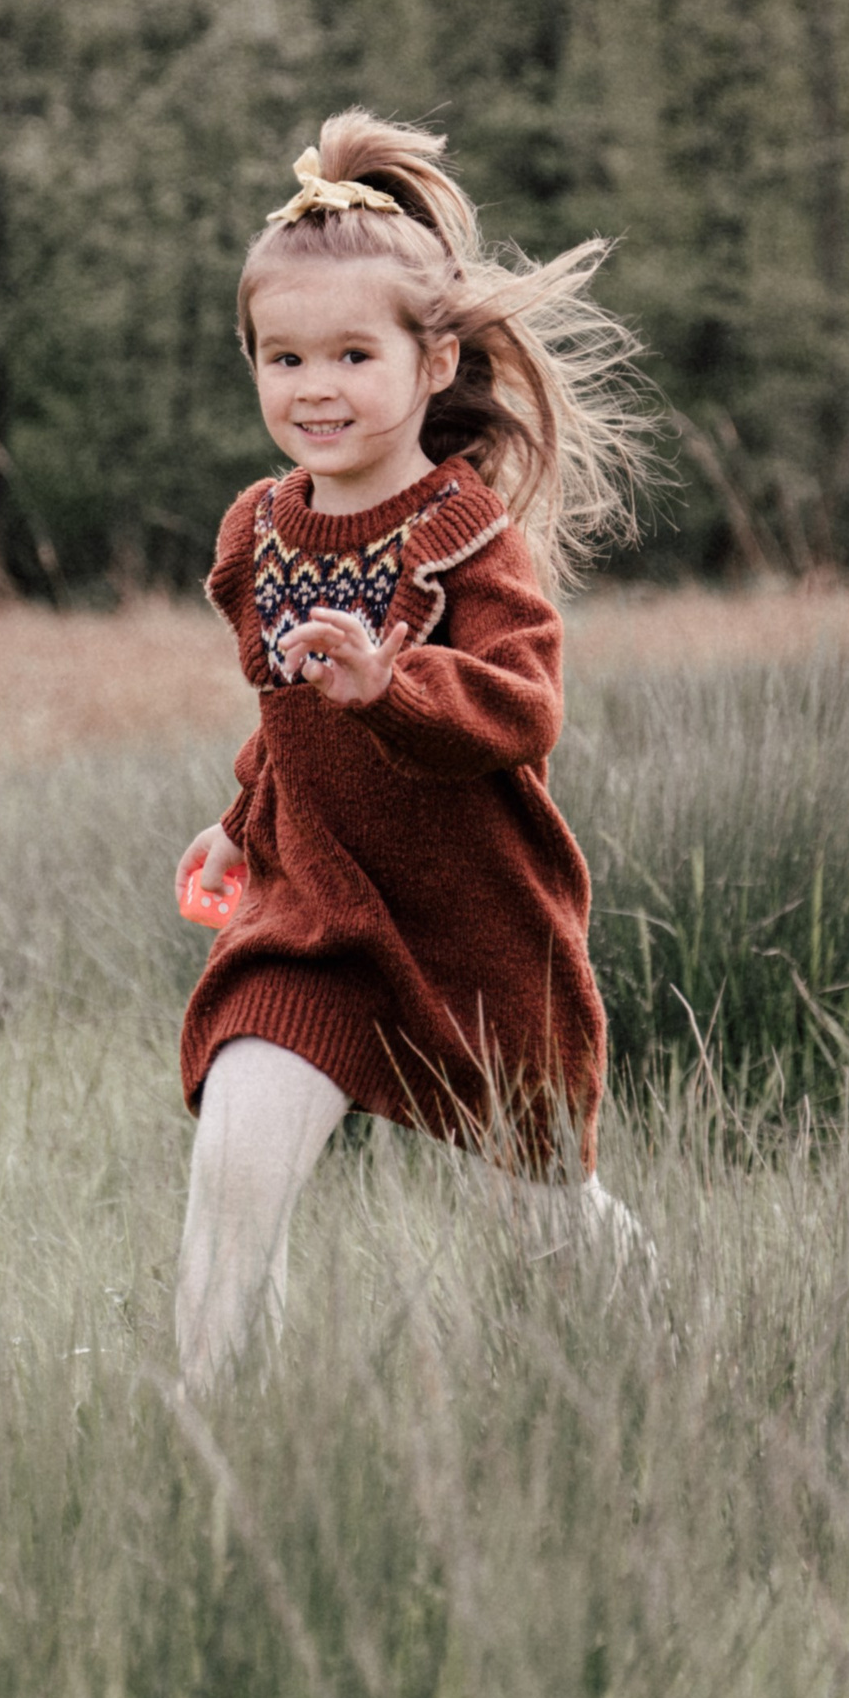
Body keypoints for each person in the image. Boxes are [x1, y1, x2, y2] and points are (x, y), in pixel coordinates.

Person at [173, 109, 653, 1393]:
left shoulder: (465, 535)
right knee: (235, 1164)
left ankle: (664, 1349)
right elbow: (287, 706)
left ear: (433, 361)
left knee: (540, 1214)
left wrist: (397, 686)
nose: (312, 386)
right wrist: (242, 814)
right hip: (315, 915)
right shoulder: (256, 534)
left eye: (348, 353)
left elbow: (523, 707)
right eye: (281, 358)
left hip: (471, 930)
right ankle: (219, 1444)